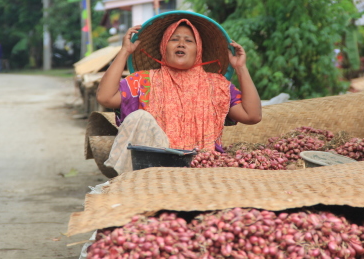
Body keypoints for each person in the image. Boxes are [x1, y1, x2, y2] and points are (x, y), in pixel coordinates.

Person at [96, 11, 262, 175]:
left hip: (204, 166)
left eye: (189, 41)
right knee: (139, 118)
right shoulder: (144, 81)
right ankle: (129, 187)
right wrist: (125, 52)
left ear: (198, 50)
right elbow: (105, 97)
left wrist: (241, 68)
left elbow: (252, 116)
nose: (181, 44)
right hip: (155, 167)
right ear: (163, 48)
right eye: (174, 39)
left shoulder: (217, 85)